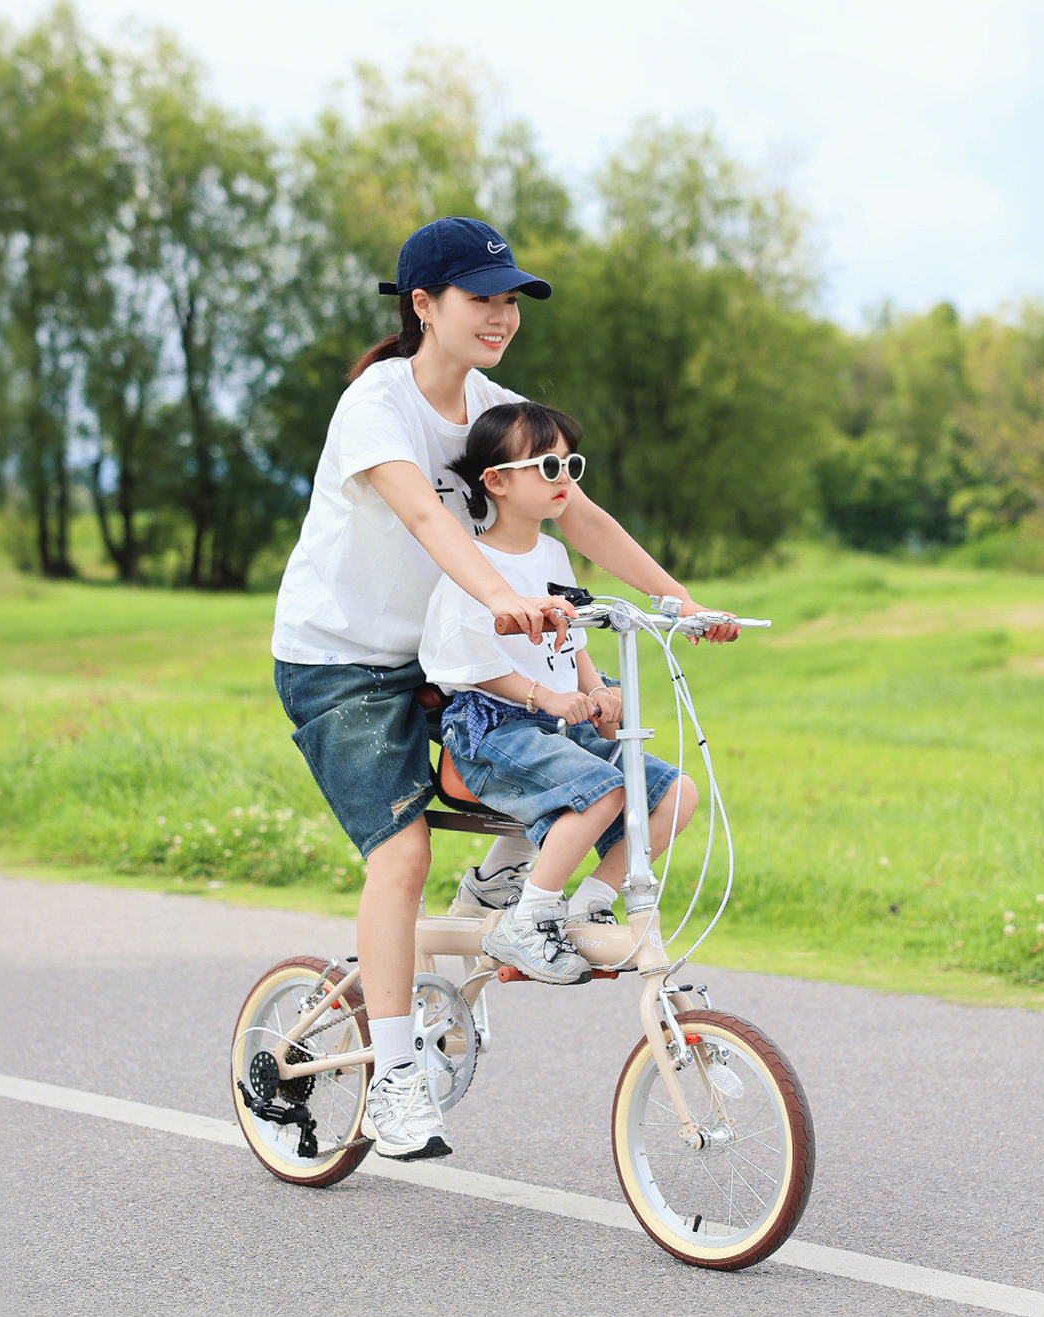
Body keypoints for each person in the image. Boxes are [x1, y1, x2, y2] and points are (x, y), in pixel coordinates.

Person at [271, 216, 734, 1162]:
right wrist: (499, 598)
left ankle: (500, 894)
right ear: (424, 305)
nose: (501, 316)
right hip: (344, 662)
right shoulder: (378, 408)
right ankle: (394, 1077)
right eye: (482, 298)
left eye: (510, 300)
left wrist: (675, 598)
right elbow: (425, 521)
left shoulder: (498, 408)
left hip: (458, 661)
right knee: (398, 859)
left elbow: (578, 510)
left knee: (574, 770)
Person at [420, 403, 699, 985]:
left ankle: (589, 900)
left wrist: (594, 688)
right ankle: (528, 918)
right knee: (601, 790)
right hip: (491, 731)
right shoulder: (471, 563)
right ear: (495, 481)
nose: (564, 480)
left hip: (554, 727)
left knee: (676, 794)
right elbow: (465, 662)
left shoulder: (550, 553)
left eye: (571, 465)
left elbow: (568, 640)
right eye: (547, 468)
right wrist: (543, 697)